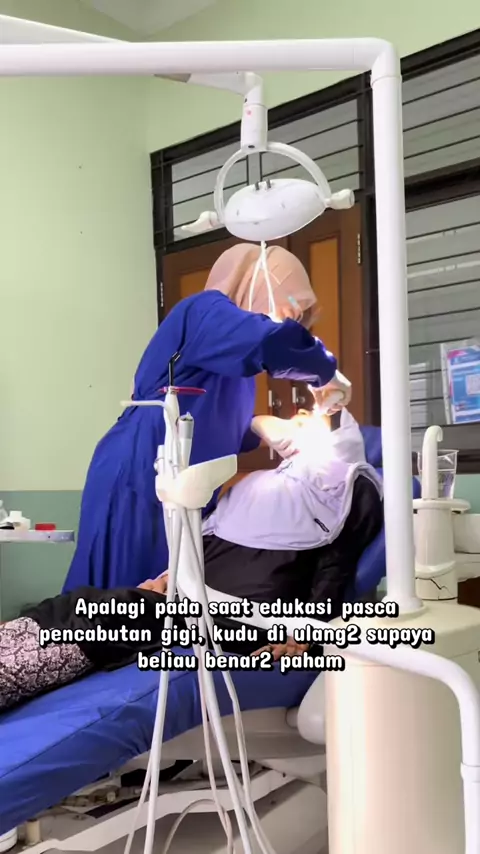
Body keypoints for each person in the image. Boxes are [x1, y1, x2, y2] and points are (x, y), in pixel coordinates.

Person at [0, 409, 382, 711]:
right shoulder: (264, 484)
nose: (300, 414)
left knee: (100, 614)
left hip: (244, 620)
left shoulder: (349, 489)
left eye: (310, 416)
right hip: (192, 602)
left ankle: (9, 674)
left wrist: (305, 636)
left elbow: (335, 570)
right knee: (78, 605)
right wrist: (168, 578)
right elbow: (205, 541)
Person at [63, 243, 352, 593]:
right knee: (119, 598)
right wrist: (325, 372)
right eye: (286, 303)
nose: (287, 318)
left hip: (183, 483)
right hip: (139, 474)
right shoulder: (204, 311)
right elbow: (271, 343)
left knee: (166, 596)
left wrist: (261, 426)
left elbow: (213, 423)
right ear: (257, 282)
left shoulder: (238, 368)